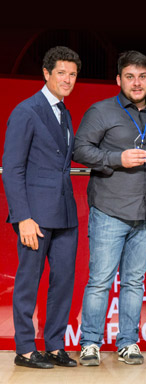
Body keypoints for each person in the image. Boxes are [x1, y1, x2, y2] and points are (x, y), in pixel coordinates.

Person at [73, 50, 146, 366]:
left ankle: (128, 342)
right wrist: (113, 159)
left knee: (134, 283)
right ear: (119, 79)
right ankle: (91, 343)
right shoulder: (101, 111)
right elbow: (80, 148)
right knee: (100, 282)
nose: (137, 83)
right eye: (130, 77)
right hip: (109, 210)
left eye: (143, 76)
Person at [2, 46, 81, 369]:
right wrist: (22, 217)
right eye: (61, 72)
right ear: (46, 74)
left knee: (62, 282)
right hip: (34, 216)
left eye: (73, 74)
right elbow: (12, 167)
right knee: (28, 282)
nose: (68, 79)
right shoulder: (27, 110)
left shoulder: (65, 112)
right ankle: (24, 348)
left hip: (64, 213)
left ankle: (54, 345)